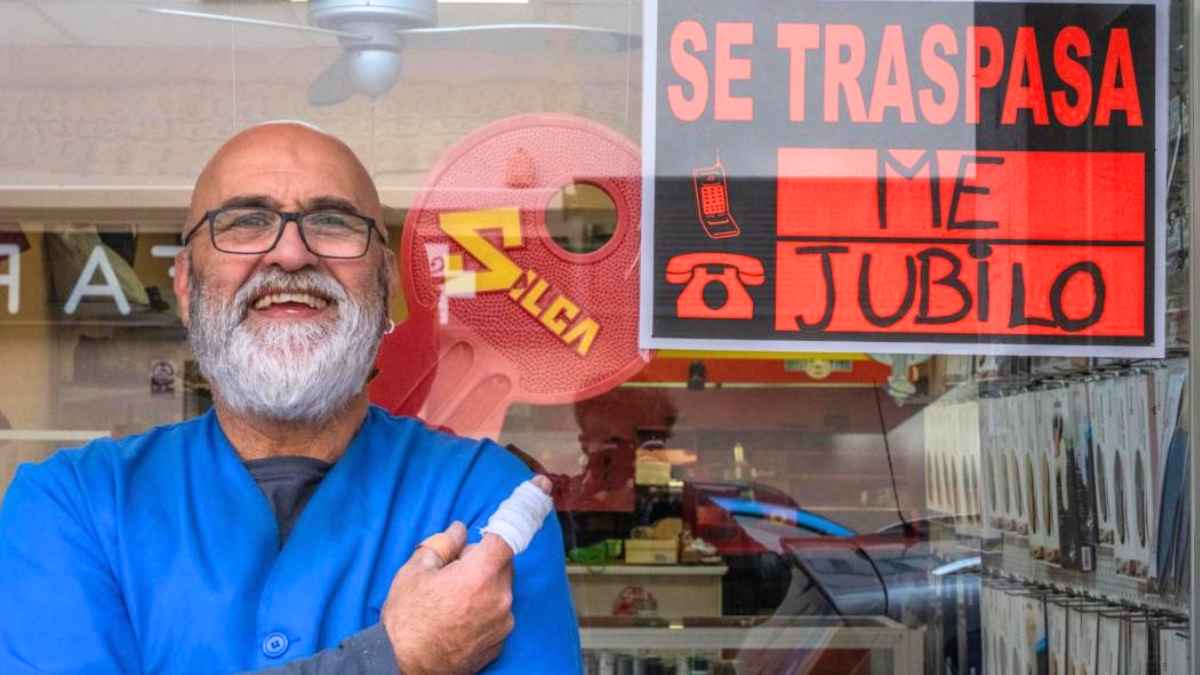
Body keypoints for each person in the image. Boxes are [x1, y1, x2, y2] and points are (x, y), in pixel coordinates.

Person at [0, 122, 582, 674]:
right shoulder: (74, 504)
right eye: (245, 221)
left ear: (386, 285)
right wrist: (395, 658)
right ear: (184, 284)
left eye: (333, 222)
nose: (291, 253)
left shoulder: (484, 500)